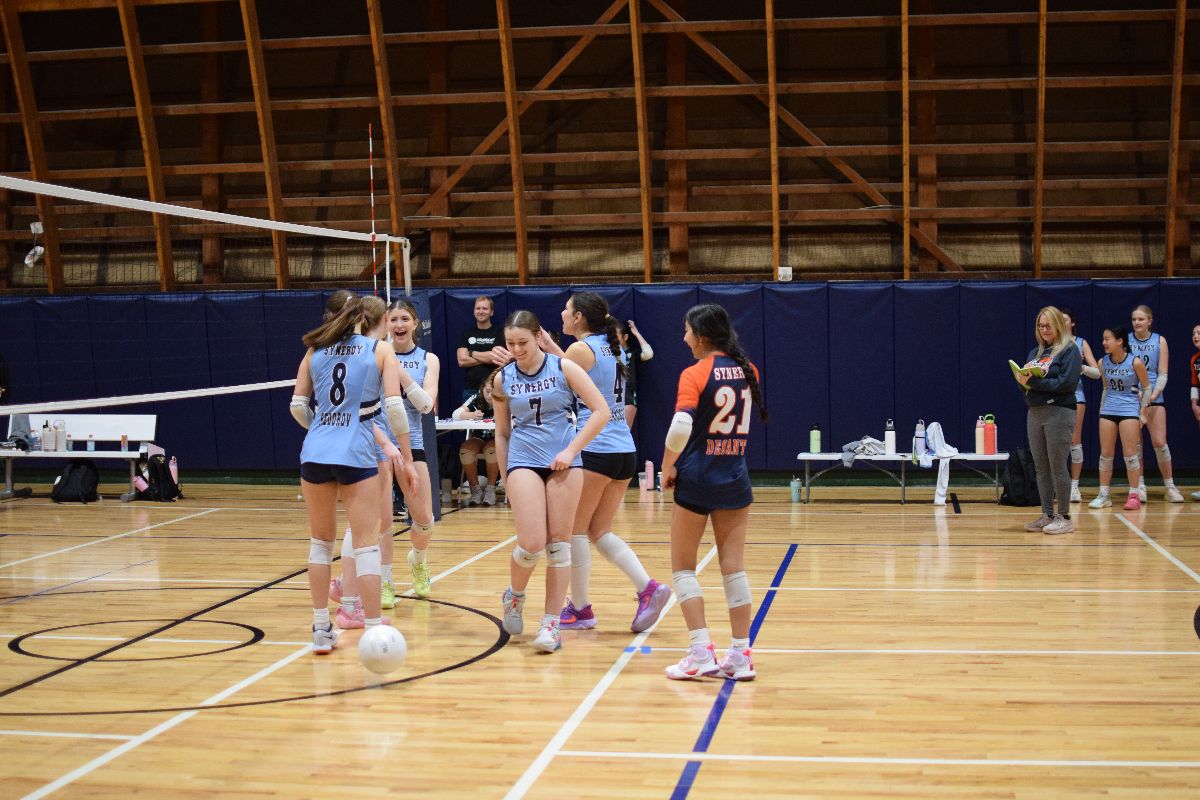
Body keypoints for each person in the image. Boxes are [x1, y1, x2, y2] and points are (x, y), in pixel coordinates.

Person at [538, 292, 671, 633]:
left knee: (574, 531)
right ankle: (648, 588)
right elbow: (582, 373)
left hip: (595, 448)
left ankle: (580, 609)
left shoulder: (580, 349)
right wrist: (551, 349)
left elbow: (555, 384)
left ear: (578, 317)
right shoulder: (613, 347)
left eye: (567, 310)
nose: (562, 314)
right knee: (599, 531)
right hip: (623, 449)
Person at [291, 293, 416, 653]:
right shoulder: (379, 349)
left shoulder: (315, 350)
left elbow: (298, 405)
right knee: (366, 544)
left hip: (316, 451)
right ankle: (374, 631)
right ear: (363, 316)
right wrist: (406, 460)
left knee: (320, 544)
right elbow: (394, 408)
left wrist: (323, 428)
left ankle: (320, 628)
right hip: (356, 452)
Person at [492, 310, 610, 654]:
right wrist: (506, 476)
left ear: (538, 337)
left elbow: (601, 410)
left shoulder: (564, 367)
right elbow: (502, 432)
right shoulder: (502, 379)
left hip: (564, 461)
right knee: (530, 544)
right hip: (524, 460)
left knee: (559, 545)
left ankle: (550, 624)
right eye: (511, 343)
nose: (517, 349)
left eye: (523, 342)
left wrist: (572, 451)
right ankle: (514, 596)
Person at [662, 303, 767, 681]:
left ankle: (700, 653)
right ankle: (740, 655)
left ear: (703, 336)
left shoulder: (695, 373)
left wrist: (667, 465)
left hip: (697, 478)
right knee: (734, 569)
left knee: (683, 568)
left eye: (687, 331)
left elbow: (680, 426)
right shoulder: (748, 369)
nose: (684, 338)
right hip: (735, 478)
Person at [387, 299, 440, 598]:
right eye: (393, 319)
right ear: (386, 324)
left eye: (404, 319)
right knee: (379, 521)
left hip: (412, 443)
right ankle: (384, 580)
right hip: (377, 444)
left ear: (415, 323)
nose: (399, 325)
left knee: (424, 520)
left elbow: (427, 405)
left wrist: (400, 373)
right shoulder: (376, 354)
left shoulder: (428, 359)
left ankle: (418, 560)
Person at [1014, 307, 1080, 534]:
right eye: (1040, 326)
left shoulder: (1070, 350)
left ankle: (1064, 516)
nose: (1043, 330)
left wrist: (1034, 384)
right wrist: (1024, 381)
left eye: (1048, 326)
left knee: (1057, 465)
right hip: (1035, 412)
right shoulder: (1036, 353)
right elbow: (1026, 385)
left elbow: (1065, 384)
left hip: (1060, 411)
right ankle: (1047, 514)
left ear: (1058, 326)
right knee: (1041, 467)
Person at [1088, 324, 1151, 511]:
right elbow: (1105, 387)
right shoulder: (1102, 362)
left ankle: (1134, 495)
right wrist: (1102, 409)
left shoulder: (1135, 362)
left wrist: (1143, 412)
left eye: (1107, 339)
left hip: (1129, 410)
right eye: (1103, 339)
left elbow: (1147, 388)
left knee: (1130, 455)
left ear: (1120, 341)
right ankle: (1104, 495)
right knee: (1105, 455)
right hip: (1108, 410)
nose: (1104, 342)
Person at [1130, 306, 1184, 502]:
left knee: (1160, 443)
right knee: (1136, 445)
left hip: (1154, 396)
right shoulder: (1126, 341)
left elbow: (1163, 373)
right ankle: (1140, 485)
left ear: (1150, 321)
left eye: (1141, 319)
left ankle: (1170, 486)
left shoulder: (1160, 341)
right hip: (1132, 397)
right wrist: (1136, 394)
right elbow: (1124, 370)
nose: (1137, 322)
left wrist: (1152, 395)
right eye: (1134, 319)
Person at [1060, 309, 1100, 503]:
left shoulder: (1081, 343)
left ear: (1072, 322)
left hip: (1076, 395)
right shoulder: (1053, 342)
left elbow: (1097, 373)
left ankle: (1074, 486)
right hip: (1056, 396)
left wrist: (1081, 367)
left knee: (1074, 440)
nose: (1061, 322)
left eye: (1065, 319)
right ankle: (1060, 484)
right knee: (1057, 442)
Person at [452, 381, 500, 506]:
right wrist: (471, 414)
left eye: (493, 392)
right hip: (478, 438)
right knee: (465, 451)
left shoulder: (504, 399)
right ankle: (475, 490)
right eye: (487, 392)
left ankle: (490, 490)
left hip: (497, 438)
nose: (489, 395)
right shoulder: (475, 398)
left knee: (492, 451)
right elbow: (455, 415)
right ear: (482, 389)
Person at [457, 296, 507, 403]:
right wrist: (488, 357)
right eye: (478, 308)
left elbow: (497, 357)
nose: (481, 311)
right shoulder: (466, 333)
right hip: (471, 390)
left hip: (494, 388)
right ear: (474, 311)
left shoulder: (500, 333)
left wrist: (471, 353)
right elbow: (462, 361)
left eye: (484, 308)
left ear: (491, 312)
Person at [619, 319, 654, 428]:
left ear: (625, 337)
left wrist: (636, 333)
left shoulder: (632, 353)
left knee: (623, 433)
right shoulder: (608, 354)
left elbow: (648, 354)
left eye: (615, 336)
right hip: (610, 400)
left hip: (627, 398)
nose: (612, 340)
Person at [1190, 324, 1200, 501]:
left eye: (1199, 333)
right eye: (1194, 334)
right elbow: (1194, 383)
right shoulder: (1195, 359)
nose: (1196, 336)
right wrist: (1194, 404)